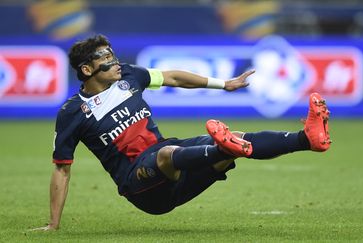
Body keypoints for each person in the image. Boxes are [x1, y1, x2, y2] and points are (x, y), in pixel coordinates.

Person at [33, 34, 331, 231]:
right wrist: (53, 225)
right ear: (87, 70)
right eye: (106, 59)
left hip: (176, 166)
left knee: (234, 137)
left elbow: (173, 76)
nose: (115, 62)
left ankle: (306, 139)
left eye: (113, 55)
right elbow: (62, 169)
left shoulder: (129, 76)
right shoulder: (72, 112)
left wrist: (224, 84)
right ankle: (222, 149)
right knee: (168, 154)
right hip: (141, 185)